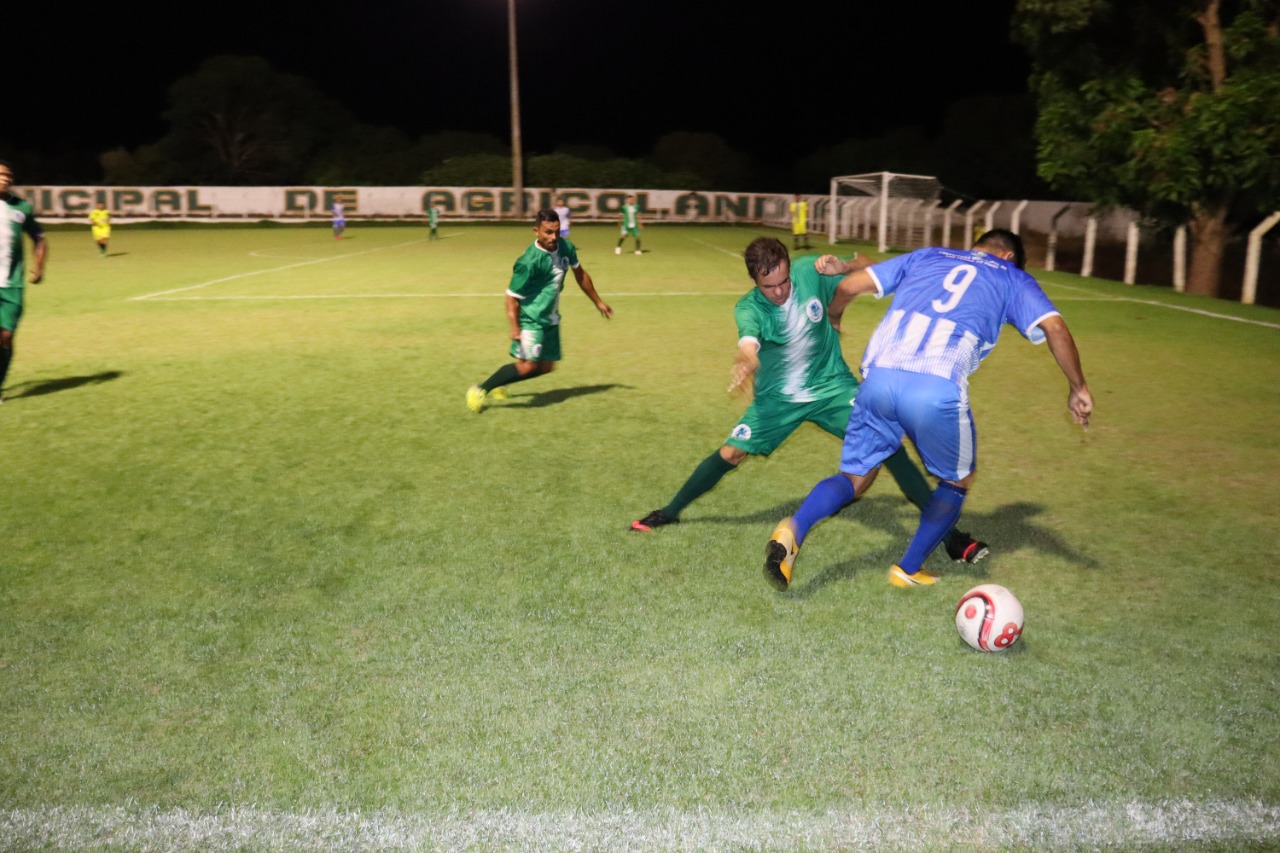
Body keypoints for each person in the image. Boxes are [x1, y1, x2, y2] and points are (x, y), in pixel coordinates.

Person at [632, 237, 988, 569]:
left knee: (889, 446)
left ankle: (950, 537)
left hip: (832, 387)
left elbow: (870, 265)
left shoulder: (810, 271)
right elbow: (749, 344)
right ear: (754, 281)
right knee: (731, 453)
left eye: (783, 281)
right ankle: (670, 511)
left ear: (790, 267)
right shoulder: (749, 308)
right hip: (779, 400)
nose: (779, 291)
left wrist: (845, 267)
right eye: (768, 286)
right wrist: (746, 360)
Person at [764, 229, 1092, 590]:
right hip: (935, 387)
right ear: (1008, 256)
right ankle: (908, 568)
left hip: (878, 378)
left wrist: (835, 317)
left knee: (856, 476)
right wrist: (1078, 387)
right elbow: (1054, 327)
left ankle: (794, 529)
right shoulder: (1012, 277)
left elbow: (848, 286)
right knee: (957, 479)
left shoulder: (928, 256)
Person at [466, 208, 613, 413]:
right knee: (527, 366)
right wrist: (514, 327)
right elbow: (511, 297)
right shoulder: (528, 262)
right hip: (530, 318)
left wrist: (598, 302)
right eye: (548, 232)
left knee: (546, 366)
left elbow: (580, 275)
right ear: (536, 231)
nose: (553, 237)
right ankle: (479, 390)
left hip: (551, 318)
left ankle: (501, 383)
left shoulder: (566, 247)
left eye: (557, 231)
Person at [0, 160, 48, 403]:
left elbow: (39, 238)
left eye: (8, 175)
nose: (5, 178)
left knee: (6, 337)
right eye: (0, 174)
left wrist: (39, 267)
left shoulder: (22, 207)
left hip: (12, 285)